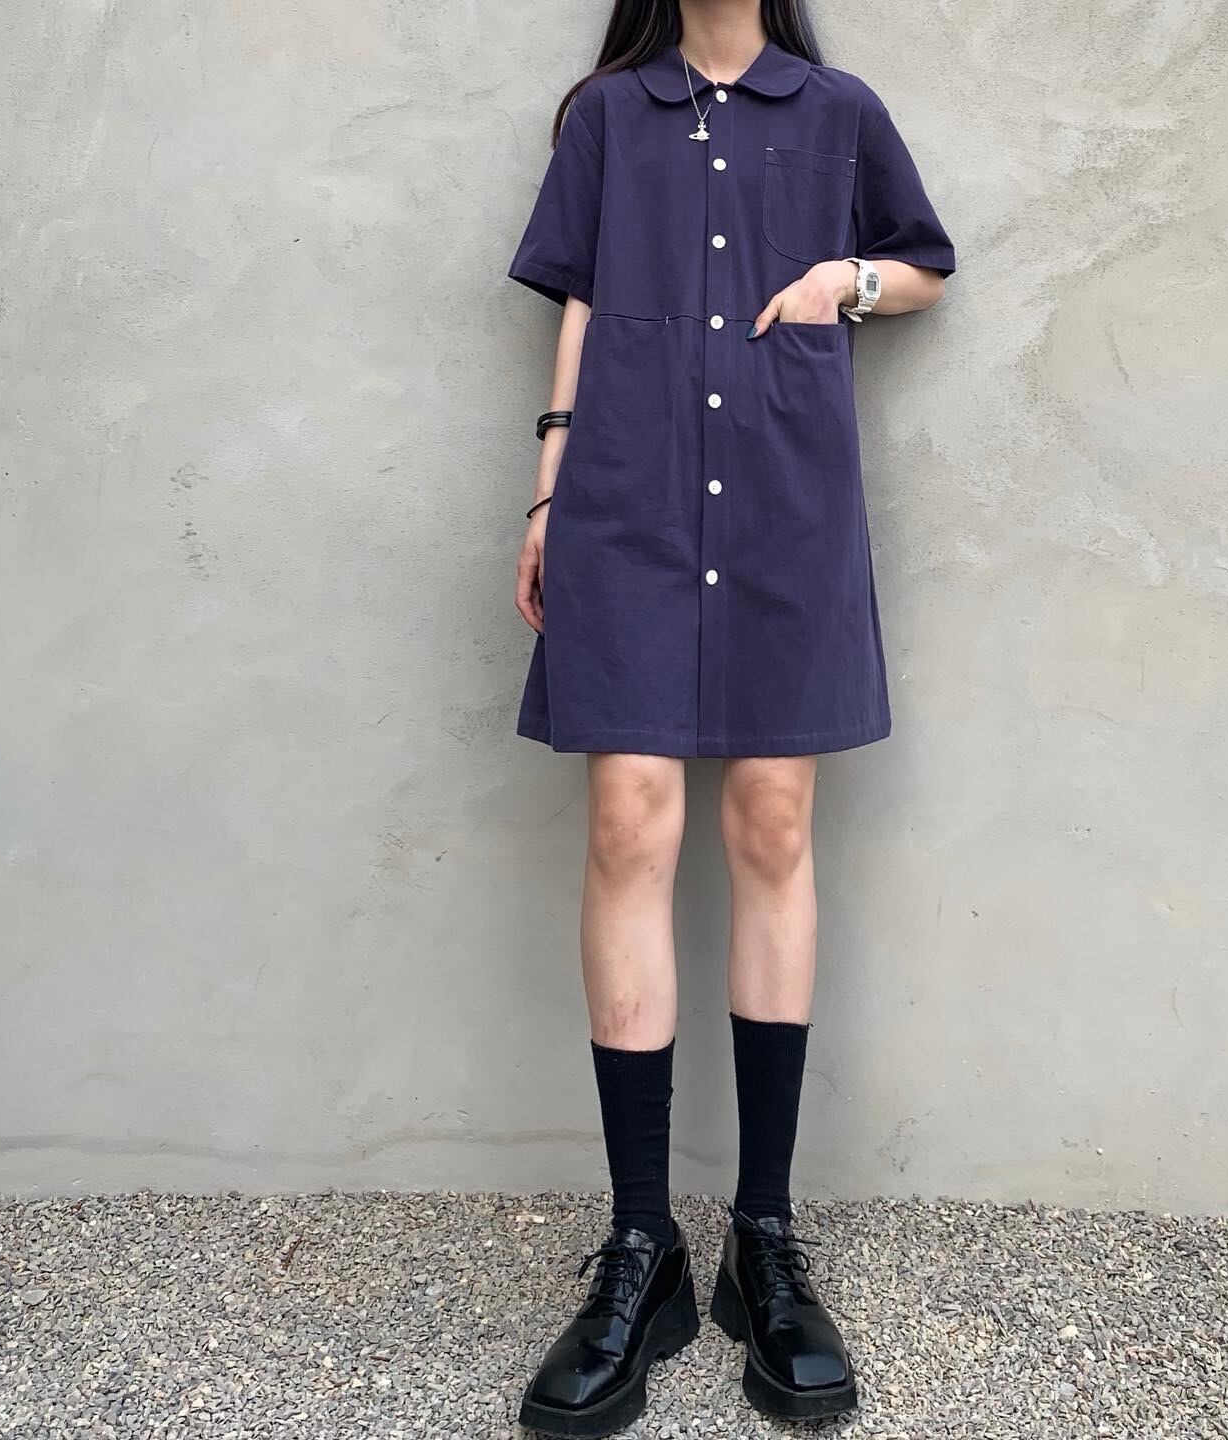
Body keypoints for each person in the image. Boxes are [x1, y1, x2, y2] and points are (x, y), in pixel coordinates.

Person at [507, 2, 955, 1434]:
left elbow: (927, 264)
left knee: (771, 823)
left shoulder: (837, 111)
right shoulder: (606, 116)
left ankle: (764, 1237)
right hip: (628, 498)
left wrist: (843, 284)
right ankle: (642, 1245)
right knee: (629, 819)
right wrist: (549, 486)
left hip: (782, 502)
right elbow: (580, 302)